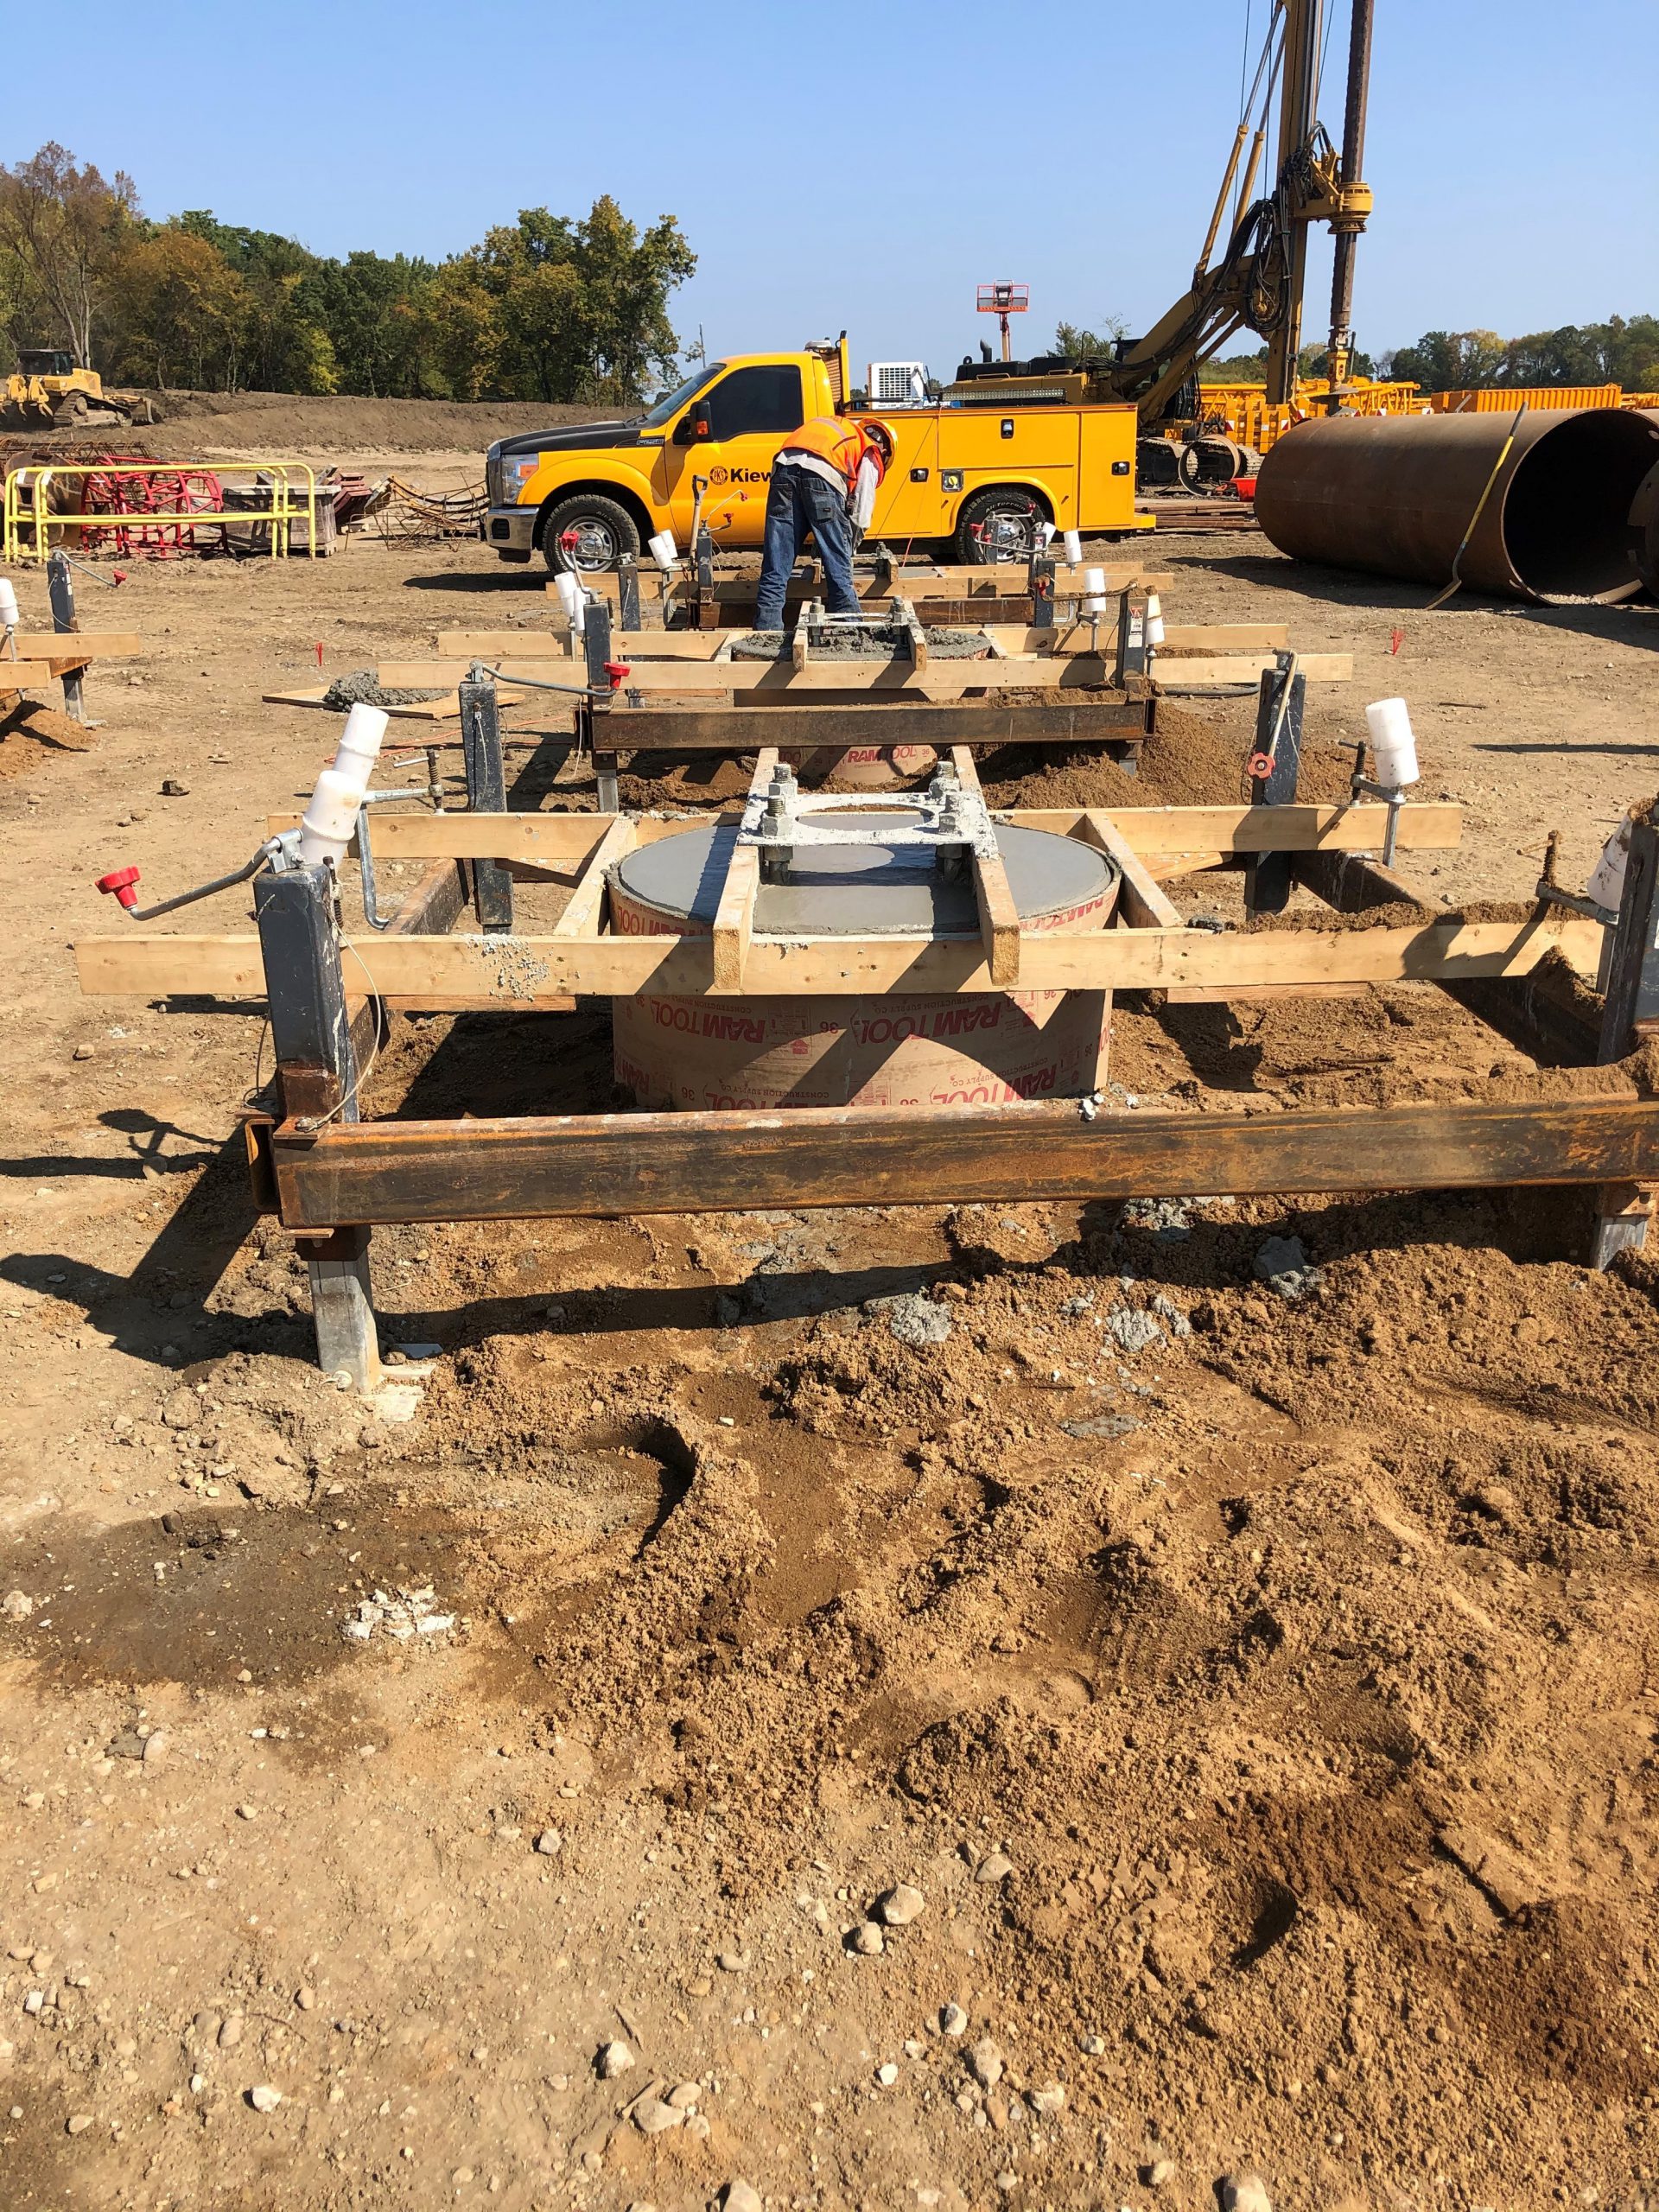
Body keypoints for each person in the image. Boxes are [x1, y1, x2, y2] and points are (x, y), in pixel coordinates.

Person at [753, 416, 892, 631]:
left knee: (776, 564)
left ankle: (765, 634)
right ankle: (848, 631)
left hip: (783, 470)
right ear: (885, 451)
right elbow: (861, 514)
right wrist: (846, 548)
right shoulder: (870, 451)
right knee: (838, 567)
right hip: (822, 476)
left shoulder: (839, 430)